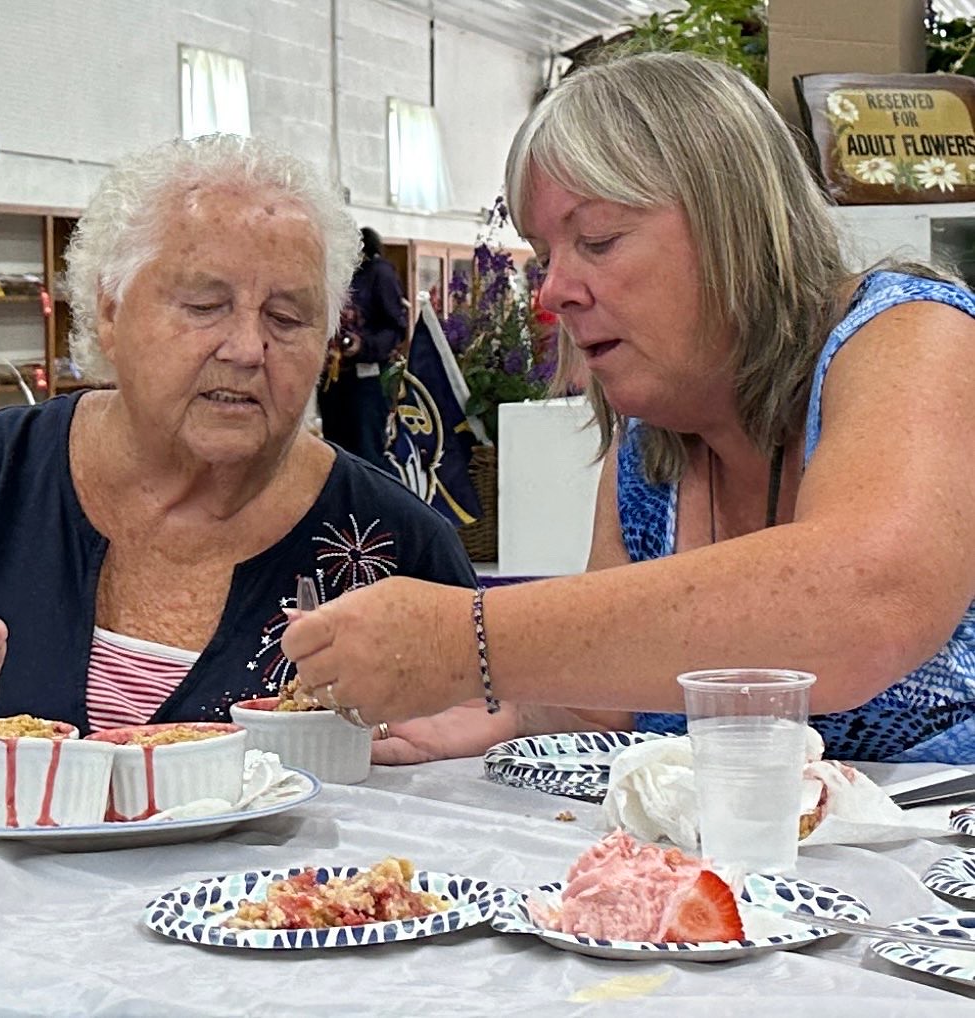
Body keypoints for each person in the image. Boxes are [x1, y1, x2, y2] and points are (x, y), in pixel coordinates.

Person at [282, 52, 975, 765]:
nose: (552, 291)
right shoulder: (649, 444)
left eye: (598, 241)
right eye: (544, 253)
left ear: (733, 223)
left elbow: (864, 603)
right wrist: (509, 710)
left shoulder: (912, 331)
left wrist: (468, 640)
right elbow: (608, 700)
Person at [0, 133, 490, 746]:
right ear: (110, 310)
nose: (246, 350)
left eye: (287, 319)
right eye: (205, 305)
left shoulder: (400, 548)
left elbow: (471, 793)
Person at [318, 226, 406, 470]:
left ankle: (370, 508)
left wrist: (363, 345)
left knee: (367, 454)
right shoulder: (329, 274)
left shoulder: (379, 273)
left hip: (366, 380)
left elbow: (395, 327)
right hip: (332, 380)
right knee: (333, 454)